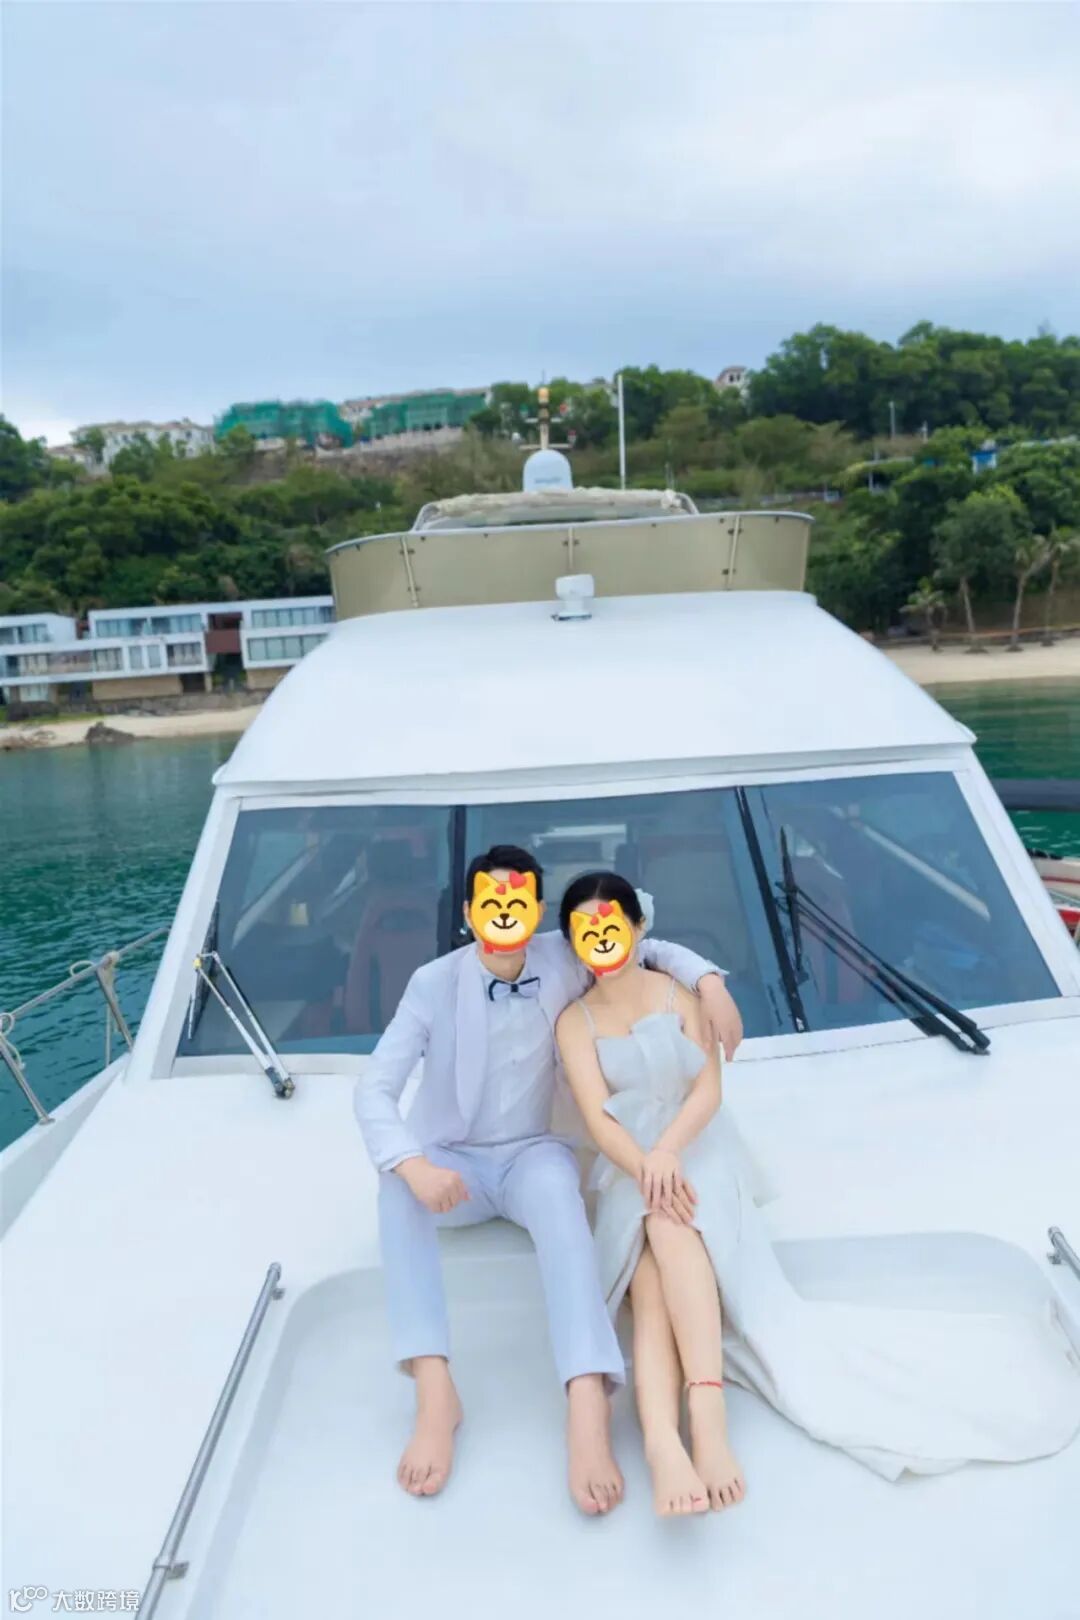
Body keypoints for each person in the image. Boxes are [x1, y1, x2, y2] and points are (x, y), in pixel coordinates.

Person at [555, 871, 1080, 1518]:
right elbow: (597, 1117)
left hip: (697, 1148)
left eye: (610, 926)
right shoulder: (574, 1021)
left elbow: (708, 1092)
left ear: (637, 927)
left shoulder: (679, 994)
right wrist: (646, 1164)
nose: (600, 942)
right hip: (627, 1164)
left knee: (663, 1235)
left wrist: (668, 1153)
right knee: (650, 1266)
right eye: (584, 933)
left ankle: (687, 1426)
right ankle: (680, 1433)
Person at [353, 844, 743, 1514]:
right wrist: (414, 1163)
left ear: (535, 913)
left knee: (561, 1192)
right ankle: (434, 1389)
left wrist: (709, 983)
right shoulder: (432, 983)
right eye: (491, 904)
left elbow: (649, 945)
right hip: (454, 1157)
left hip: (532, 1152)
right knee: (395, 1184)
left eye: (519, 905)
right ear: (471, 912)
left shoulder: (564, 956)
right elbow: (374, 1090)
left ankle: (587, 1400)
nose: (505, 915)